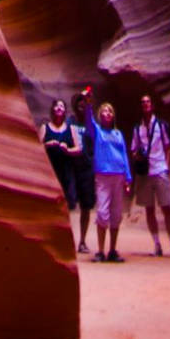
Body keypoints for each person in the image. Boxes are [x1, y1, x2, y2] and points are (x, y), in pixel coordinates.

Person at [130, 92, 170, 257]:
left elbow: (168, 146)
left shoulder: (161, 125)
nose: (145, 104)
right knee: (149, 210)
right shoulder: (138, 129)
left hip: (159, 169)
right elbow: (133, 150)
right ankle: (157, 245)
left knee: (167, 207)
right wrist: (138, 156)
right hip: (145, 173)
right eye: (143, 102)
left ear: (153, 105)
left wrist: (166, 165)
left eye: (148, 102)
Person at [91, 100, 132, 261]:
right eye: (104, 111)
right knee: (102, 212)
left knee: (116, 214)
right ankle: (100, 251)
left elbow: (124, 155)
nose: (107, 114)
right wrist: (88, 104)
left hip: (118, 175)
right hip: (103, 175)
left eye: (110, 111)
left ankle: (112, 250)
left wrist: (128, 176)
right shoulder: (97, 131)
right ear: (100, 115)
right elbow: (89, 120)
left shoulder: (118, 134)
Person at [39, 97, 83, 218]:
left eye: (62, 106)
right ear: (53, 109)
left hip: (66, 172)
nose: (59, 108)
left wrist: (67, 150)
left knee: (67, 202)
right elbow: (37, 146)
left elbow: (78, 149)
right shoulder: (45, 128)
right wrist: (48, 145)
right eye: (57, 106)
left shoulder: (71, 129)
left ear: (65, 111)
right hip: (49, 171)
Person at [69, 87, 97, 254]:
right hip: (72, 168)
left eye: (83, 104)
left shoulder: (90, 124)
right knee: (69, 205)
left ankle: (82, 241)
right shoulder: (70, 122)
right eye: (79, 103)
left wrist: (89, 105)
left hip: (86, 170)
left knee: (86, 207)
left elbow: (93, 139)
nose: (81, 106)